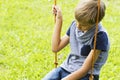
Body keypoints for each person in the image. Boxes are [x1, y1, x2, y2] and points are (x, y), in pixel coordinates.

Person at [42, 0, 110, 80]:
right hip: (66, 68)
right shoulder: (75, 25)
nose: (78, 26)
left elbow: (85, 69)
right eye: (77, 21)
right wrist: (59, 19)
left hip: (86, 75)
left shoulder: (100, 36)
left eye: (83, 25)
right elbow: (55, 48)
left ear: (96, 22)